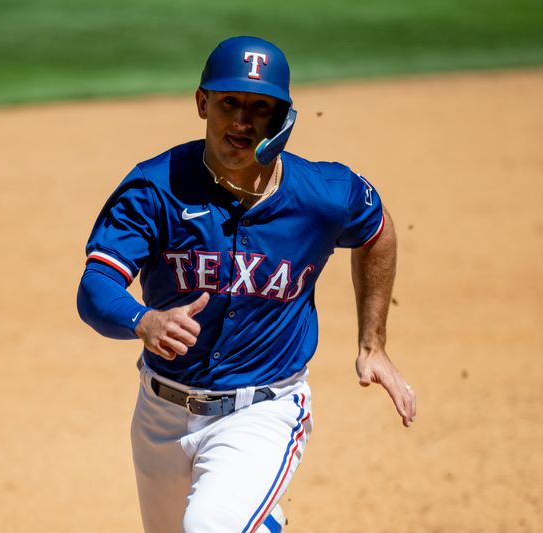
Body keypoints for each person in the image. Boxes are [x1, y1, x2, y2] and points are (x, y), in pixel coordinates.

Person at [77, 35, 416, 533]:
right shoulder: (155, 188)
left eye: (260, 108)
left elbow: (376, 227)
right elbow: (95, 287)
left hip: (263, 411)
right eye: (229, 103)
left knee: (211, 527)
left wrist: (374, 343)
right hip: (160, 416)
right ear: (201, 103)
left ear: (282, 117)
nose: (241, 121)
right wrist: (142, 319)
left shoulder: (322, 194)